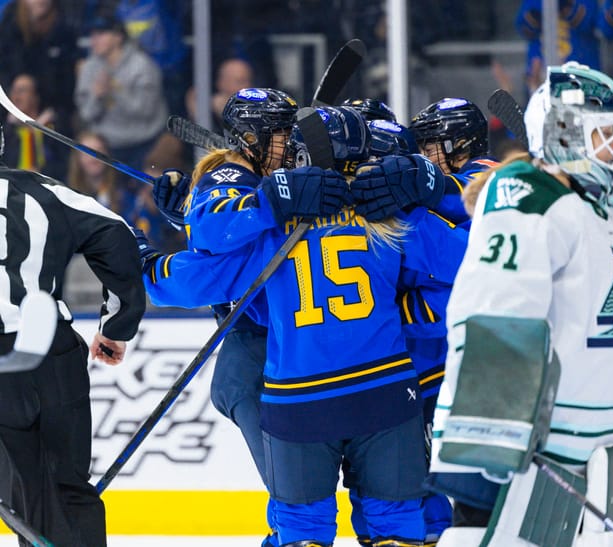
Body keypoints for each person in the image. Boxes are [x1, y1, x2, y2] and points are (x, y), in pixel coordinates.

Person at [139, 105, 461, 546]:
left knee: (302, 533)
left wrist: (146, 261)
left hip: (299, 400)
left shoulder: (274, 226)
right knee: (397, 528)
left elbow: (192, 281)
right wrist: (436, 192)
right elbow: (472, 258)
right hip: (386, 394)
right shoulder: (391, 215)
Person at [428, 62, 613, 547]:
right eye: (604, 135)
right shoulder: (527, 202)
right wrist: (494, 428)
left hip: (592, 455)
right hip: (512, 459)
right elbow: (495, 312)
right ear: (565, 135)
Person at [150, 87, 299, 547]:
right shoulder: (232, 173)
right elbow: (220, 240)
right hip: (261, 348)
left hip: (284, 344)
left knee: (297, 486)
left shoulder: (268, 172)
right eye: (281, 134)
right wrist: (190, 223)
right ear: (252, 139)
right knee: (294, 494)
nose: (290, 142)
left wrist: (185, 222)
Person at [0, 121, 146, 546]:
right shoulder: (45, 191)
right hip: (51, 351)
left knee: (25, 494)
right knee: (66, 485)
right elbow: (116, 234)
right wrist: (117, 324)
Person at [74, 12, 168, 173]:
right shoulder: (89, 68)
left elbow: (145, 111)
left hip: (145, 143)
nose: (94, 40)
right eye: (92, 34)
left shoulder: (142, 65)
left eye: (101, 34)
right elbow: (86, 115)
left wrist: (115, 91)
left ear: (118, 37)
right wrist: (97, 97)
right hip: (108, 146)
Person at [409, 97, 498, 225]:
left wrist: (415, 181)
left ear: (461, 149)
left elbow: (474, 193)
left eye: (428, 151)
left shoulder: (487, 169)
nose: (423, 159)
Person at [0, 0, 79, 130]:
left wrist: (53, 111)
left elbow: (67, 77)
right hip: (11, 107)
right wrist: (12, 107)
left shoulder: (64, 23)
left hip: (53, 108)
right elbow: (5, 68)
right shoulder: (10, 24)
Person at [515, 0, 601, 94]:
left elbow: (593, 24)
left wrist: (565, 6)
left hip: (580, 74)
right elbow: (524, 29)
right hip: (541, 75)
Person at [1, 73, 68, 180]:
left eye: (22, 90)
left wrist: (41, 173)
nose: (16, 96)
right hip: (15, 187)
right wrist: (9, 127)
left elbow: (65, 163)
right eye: (13, 91)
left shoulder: (52, 127)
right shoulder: (6, 130)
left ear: (35, 96)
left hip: (48, 184)